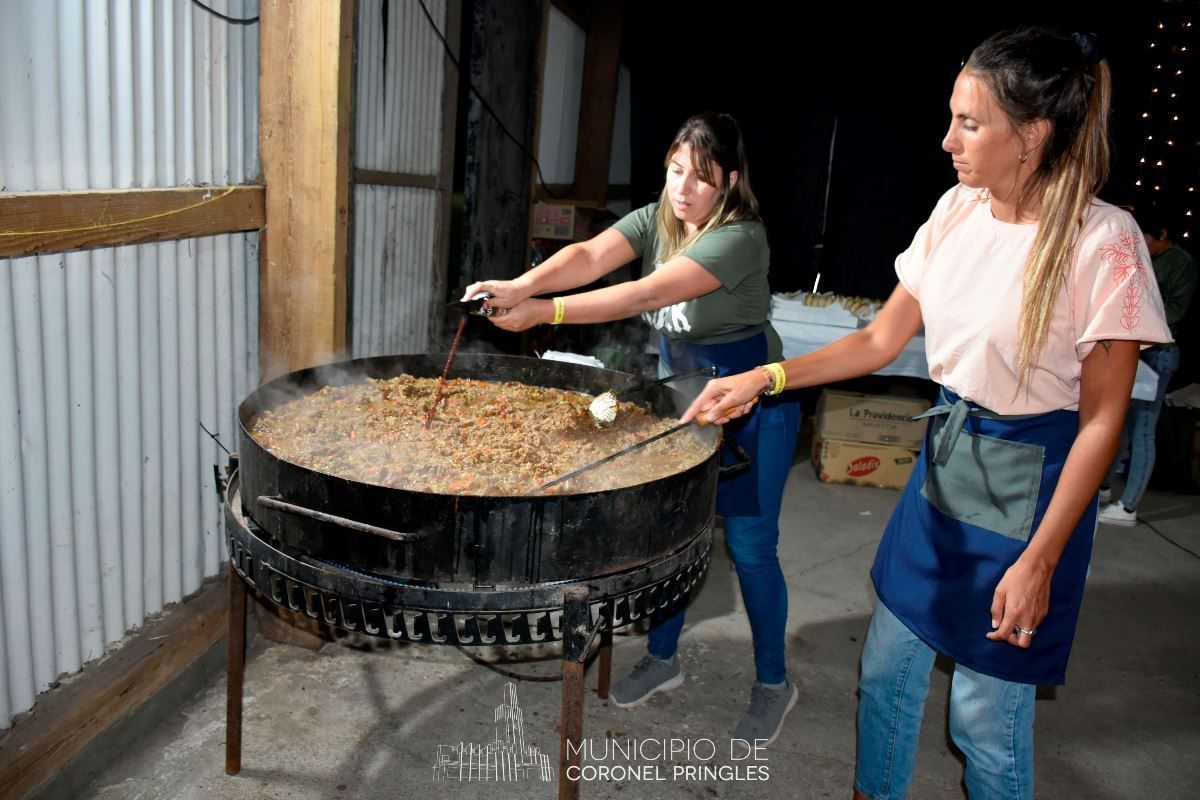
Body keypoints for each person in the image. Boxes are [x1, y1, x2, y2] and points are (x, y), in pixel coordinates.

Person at [679, 29, 1170, 799]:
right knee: (883, 674)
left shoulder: (1102, 242)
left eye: (970, 123)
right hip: (946, 463)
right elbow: (879, 338)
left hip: (1028, 488)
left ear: (1033, 134)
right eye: (951, 118)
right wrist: (764, 377)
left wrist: (1039, 561)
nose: (947, 140)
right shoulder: (957, 210)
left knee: (984, 716)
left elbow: (1103, 420)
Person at [461, 112, 802, 744]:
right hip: (681, 399)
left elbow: (643, 295)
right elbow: (591, 254)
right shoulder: (659, 218)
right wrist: (522, 284)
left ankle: (774, 684)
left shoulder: (741, 236)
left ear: (728, 181)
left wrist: (545, 311)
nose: (684, 189)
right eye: (676, 171)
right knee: (673, 532)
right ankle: (663, 660)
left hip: (754, 405)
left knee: (751, 549)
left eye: (700, 178)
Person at [1099, 206, 1197, 525]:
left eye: (1146, 237)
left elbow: (1175, 310)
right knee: (1119, 421)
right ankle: (1103, 487)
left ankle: (1129, 506)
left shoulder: (1181, 264)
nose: (1141, 242)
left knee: (1142, 427)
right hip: (1134, 348)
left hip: (1160, 353)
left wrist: (1133, 318)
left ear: (1163, 235)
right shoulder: (1146, 258)